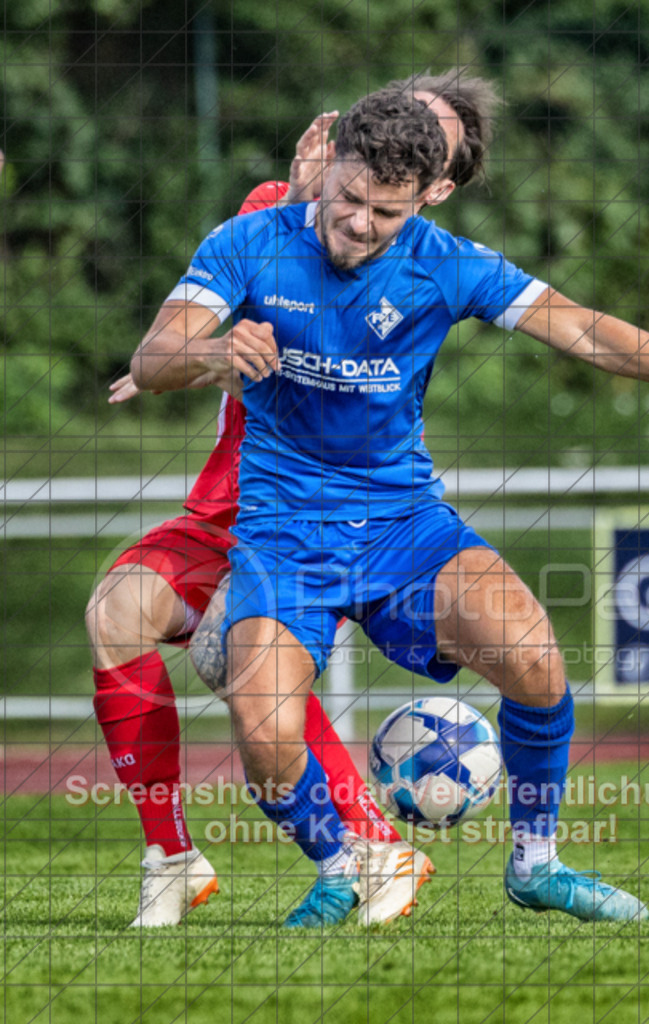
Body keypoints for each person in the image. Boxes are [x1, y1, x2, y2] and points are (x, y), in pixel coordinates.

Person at [129, 72, 649, 930]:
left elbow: (585, 329)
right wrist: (215, 353)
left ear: (429, 194)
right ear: (331, 162)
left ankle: (536, 864)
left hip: (405, 525)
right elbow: (155, 358)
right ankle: (345, 862)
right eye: (348, 200)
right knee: (262, 731)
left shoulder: (444, 264)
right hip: (284, 534)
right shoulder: (246, 244)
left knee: (535, 659)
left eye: (386, 213)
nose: (358, 224)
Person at [88, 80, 478, 928]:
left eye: (428, 151)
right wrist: (183, 355)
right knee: (116, 612)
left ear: (436, 186)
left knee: (246, 664)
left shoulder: (426, 261)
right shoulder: (273, 209)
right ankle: (173, 857)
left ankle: (371, 846)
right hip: (221, 501)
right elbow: (193, 325)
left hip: (309, 511)